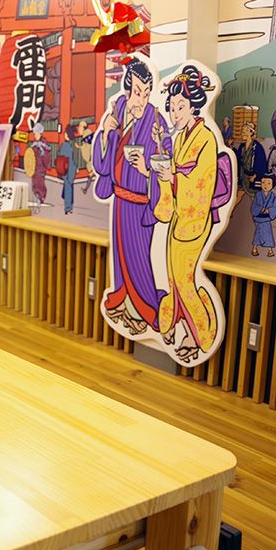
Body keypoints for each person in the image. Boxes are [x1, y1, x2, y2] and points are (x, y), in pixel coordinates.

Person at [92, 56, 172, 336]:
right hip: (119, 199)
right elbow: (103, 160)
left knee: (138, 257)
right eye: (138, 91)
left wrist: (147, 165)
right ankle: (125, 300)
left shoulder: (156, 120)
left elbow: (167, 162)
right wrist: (106, 133)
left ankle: (145, 308)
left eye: (147, 93)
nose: (142, 98)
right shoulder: (118, 109)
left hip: (140, 201)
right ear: (127, 90)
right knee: (121, 256)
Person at [154, 65, 222, 362]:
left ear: (194, 106)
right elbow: (176, 168)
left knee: (185, 280)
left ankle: (201, 336)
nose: (174, 113)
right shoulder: (182, 137)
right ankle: (181, 327)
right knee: (174, 278)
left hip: (193, 220)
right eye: (171, 107)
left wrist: (173, 179)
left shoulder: (205, 138)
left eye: (180, 106)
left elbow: (200, 182)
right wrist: (164, 164)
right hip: (180, 219)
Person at [251, 175, 276, 258]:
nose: (265, 185)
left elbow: (275, 207)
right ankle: (258, 249)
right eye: (263, 182)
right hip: (259, 218)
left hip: (266, 219)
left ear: (272, 185)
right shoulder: (258, 195)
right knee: (260, 233)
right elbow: (254, 206)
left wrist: (269, 211)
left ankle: (265, 249)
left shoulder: (272, 196)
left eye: (269, 183)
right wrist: (260, 209)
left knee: (266, 234)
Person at [58, 123, 79, 214]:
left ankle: (68, 207)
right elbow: (74, 158)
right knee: (69, 186)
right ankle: (69, 204)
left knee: (68, 187)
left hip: (66, 168)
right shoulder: (72, 145)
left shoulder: (64, 146)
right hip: (72, 168)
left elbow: (60, 156)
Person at [241, 121, 267, 192]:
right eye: (242, 131)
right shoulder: (242, 146)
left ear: (251, 133)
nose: (243, 133)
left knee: (255, 196)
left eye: (246, 131)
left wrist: (255, 176)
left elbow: (262, 163)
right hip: (243, 176)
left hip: (253, 177)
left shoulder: (257, 146)